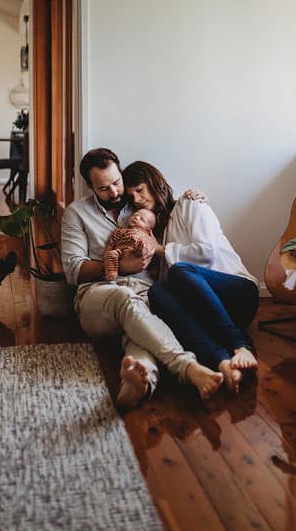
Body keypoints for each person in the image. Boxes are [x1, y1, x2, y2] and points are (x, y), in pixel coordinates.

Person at [59, 147, 224, 406]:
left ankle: (137, 386)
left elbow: (171, 202)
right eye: (103, 188)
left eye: (116, 183)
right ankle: (187, 367)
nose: (114, 193)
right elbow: (73, 270)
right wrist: (120, 267)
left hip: (145, 294)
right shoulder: (76, 213)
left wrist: (194, 196)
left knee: (140, 330)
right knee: (126, 299)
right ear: (89, 186)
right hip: (99, 297)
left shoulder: (141, 204)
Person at [122, 160, 261, 397]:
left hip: (239, 292)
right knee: (157, 293)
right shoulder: (158, 233)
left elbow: (207, 253)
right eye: (131, 195)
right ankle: (222, 363)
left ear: (154, 183)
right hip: (211, 311)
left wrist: (161, 250)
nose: (136, 199)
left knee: (179, 272)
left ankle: (241, 345)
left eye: (139, 190)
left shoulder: (189, 204)